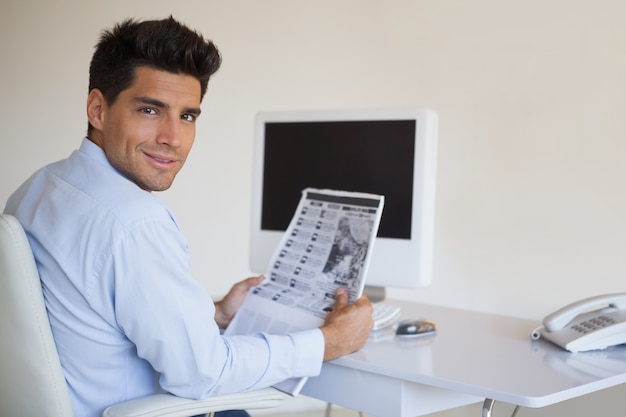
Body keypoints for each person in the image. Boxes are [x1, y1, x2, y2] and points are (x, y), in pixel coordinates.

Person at [4, 17, 373, 417]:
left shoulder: (38, 188)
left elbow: (91, 315)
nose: (173, 138)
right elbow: (203, 374)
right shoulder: (135, 223)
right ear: (98, 109)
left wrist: (213, 313)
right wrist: (331, 340)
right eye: (150, 109)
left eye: (187, 116)